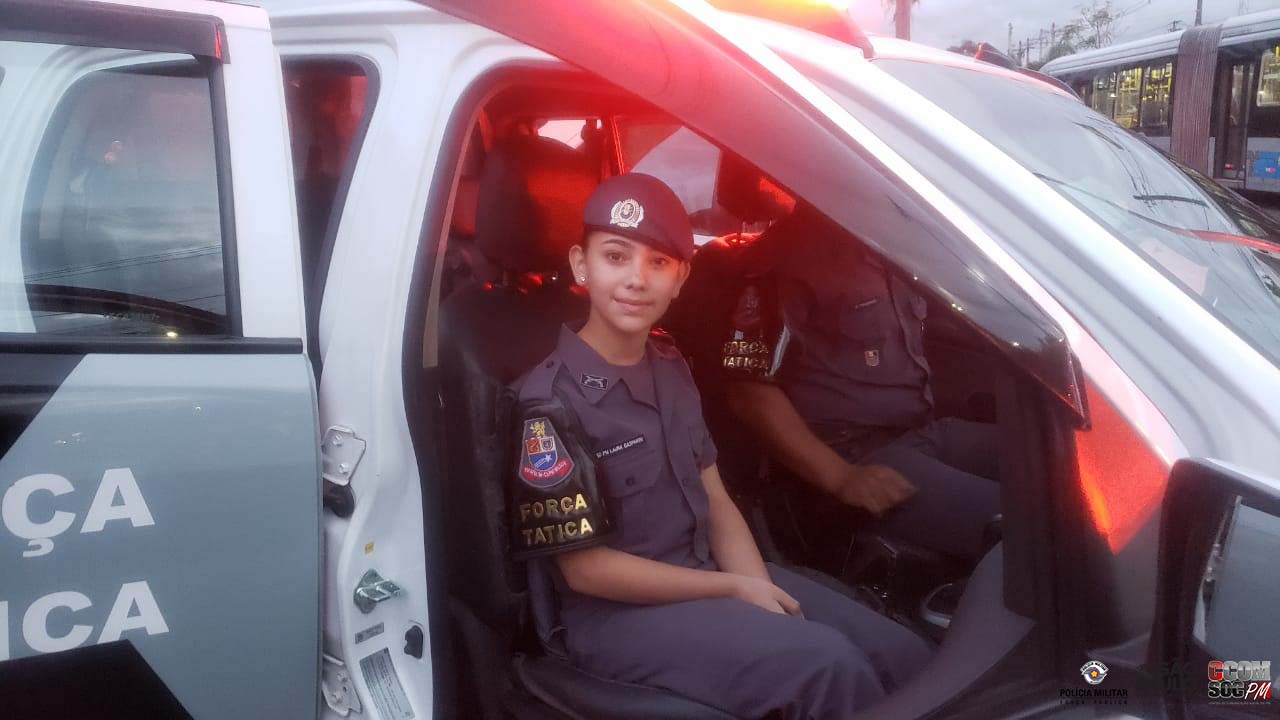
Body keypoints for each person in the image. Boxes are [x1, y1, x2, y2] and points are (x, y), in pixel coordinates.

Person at [506, 173, 931, 719]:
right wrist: (730, 590)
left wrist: (753, 587)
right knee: (831, 668)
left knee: (900, 654)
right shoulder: (548, 403)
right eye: (616, 256)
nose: (637, 279)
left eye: (659, 262)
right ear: (581, 265)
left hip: (707, 573)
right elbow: (585, 571)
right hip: (618, 618)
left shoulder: (670, 365)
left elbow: (715, 496)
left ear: (681, 278)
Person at [721, 201, 1002, 564]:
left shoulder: (892, 245)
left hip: (920, 431)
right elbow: (748, 391)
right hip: (854, 455)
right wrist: (841, 477)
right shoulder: (786, 258)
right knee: (1022, 524)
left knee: (1049, 469)